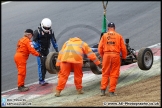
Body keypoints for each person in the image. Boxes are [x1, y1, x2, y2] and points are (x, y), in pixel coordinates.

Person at [98, 22, 127, 97]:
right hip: (115, 55)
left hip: (106, 55)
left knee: (105, 73)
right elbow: (123, 48)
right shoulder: (118, 36)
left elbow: (100, 48)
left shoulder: (104, 36)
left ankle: (102, 91)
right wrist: (124, 57)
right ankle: (111, 92)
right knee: (114, 73)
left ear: (108, 28)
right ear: (114, 28)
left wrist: (103, 56)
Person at [32, 18, 59, 86]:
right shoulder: (37, 32)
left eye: (48, 28)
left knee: (48, 64)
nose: (47, 29)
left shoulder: (51, 32)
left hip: (46, 49)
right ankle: (41, 80)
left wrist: (56, 49)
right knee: (41, 65)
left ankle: (44, 78)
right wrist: (38, 49)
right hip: (39, 51)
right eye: (45, 28)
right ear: (42, 25)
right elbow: (33, 42)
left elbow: (53, 40)